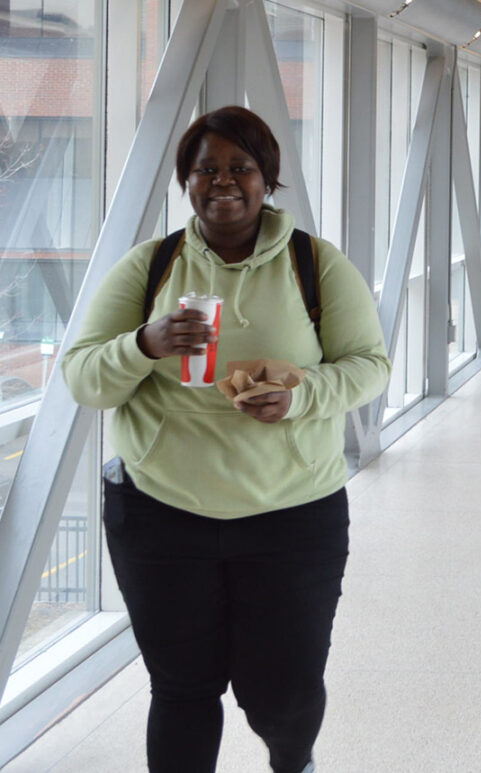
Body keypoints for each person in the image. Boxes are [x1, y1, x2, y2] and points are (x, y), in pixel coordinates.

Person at [65, 106, 389, 773]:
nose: (222, 181)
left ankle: (291, 760)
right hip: (162, 514)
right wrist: (142, 343)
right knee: (182, 689)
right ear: (185, 179)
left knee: (285, 695)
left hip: (292, 514)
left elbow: (369, 365)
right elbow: (83, 377)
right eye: (205, 167)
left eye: (240, 167)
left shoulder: (314, 264)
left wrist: (301, 397)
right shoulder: (151, 266)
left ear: (266, 179)